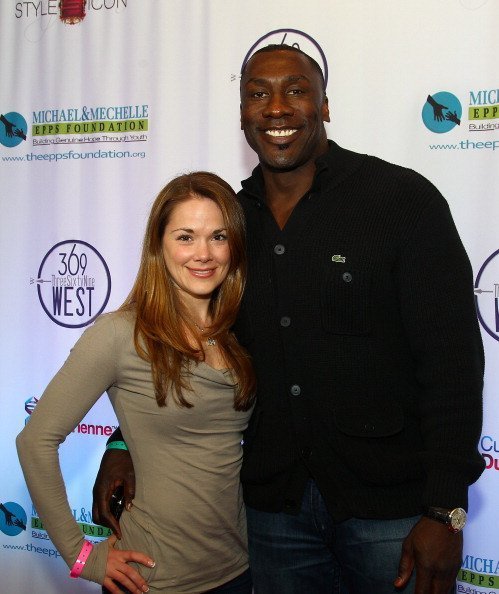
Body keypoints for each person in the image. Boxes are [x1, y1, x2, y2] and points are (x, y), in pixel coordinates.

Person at [93, 45, 485, 594]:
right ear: (243, 115)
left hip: (391, 514)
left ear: (324, 105)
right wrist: (123, 443)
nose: (276, 108)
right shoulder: (225, 224)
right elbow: (183, 348)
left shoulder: (401, 202)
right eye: (258, 94)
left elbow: (453, 363)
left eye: (296, 91)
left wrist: (446, 510)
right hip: (267, 513)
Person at [17, 171, 256, 594]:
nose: (203, 253)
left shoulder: (237, 335)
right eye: (185, 237)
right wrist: (81, 556)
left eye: (218, 236)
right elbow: (35, 441)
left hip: (237, 570)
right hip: (153, 579)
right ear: (158, 246)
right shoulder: (120, 335)